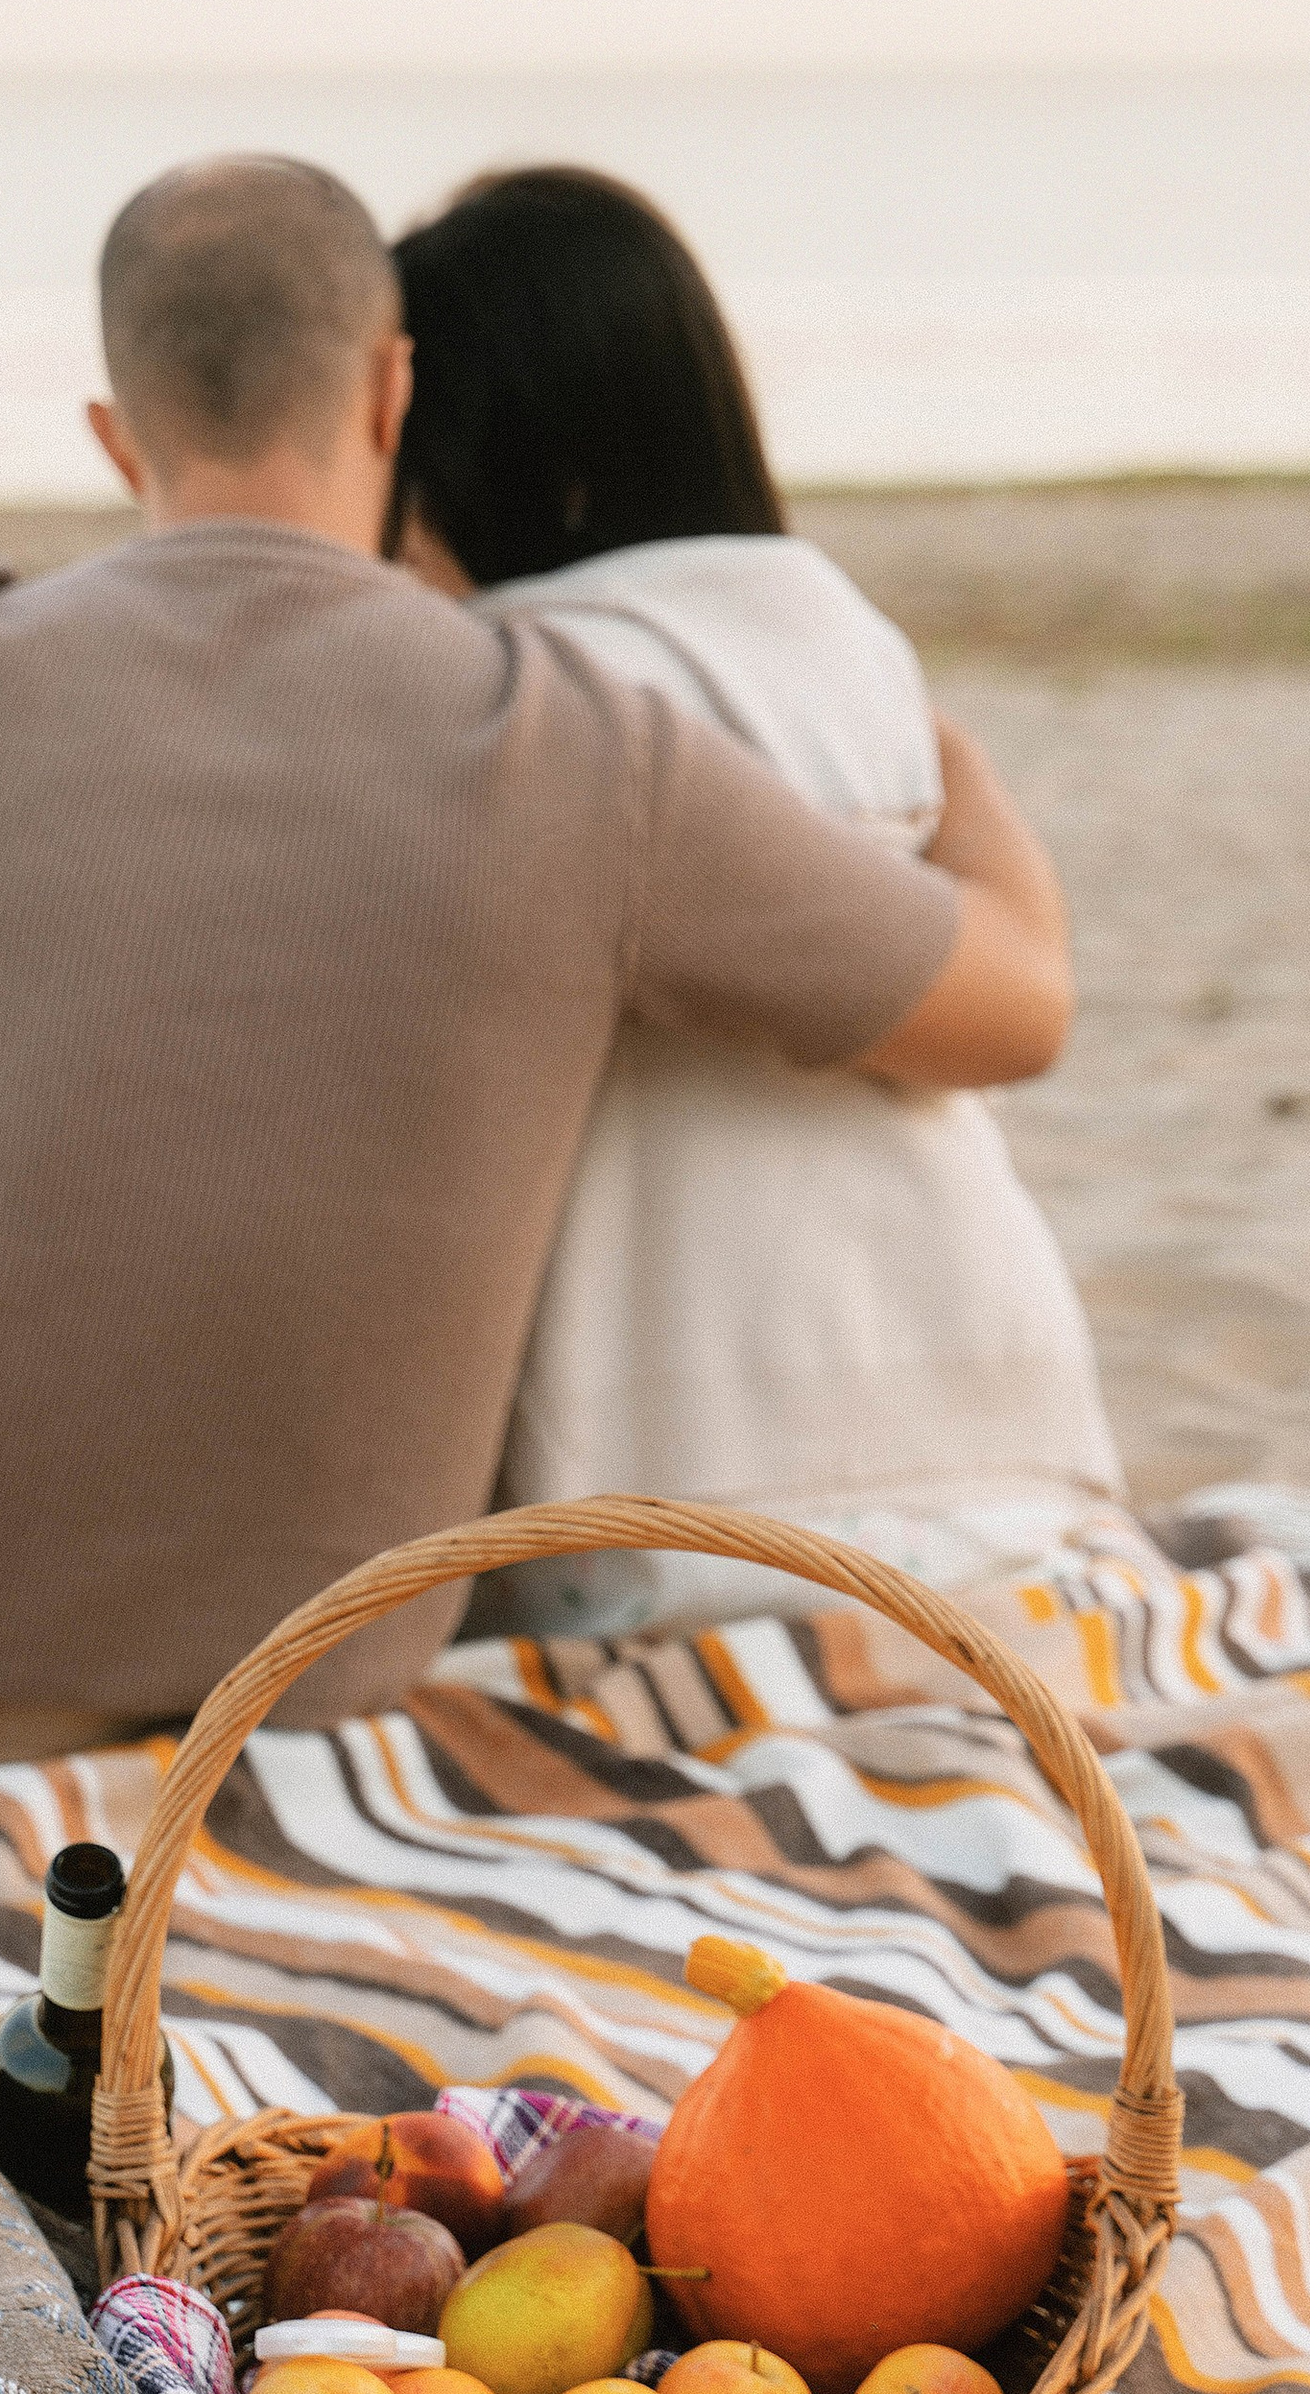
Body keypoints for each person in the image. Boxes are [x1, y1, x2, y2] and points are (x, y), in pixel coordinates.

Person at [0, 155, 1070, 1771]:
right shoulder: (581, 755)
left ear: (115, 436)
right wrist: (958, 770)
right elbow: (1012, 1008)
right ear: (390, 397)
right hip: (306, 1680)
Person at [390, 163, 1121, 1635]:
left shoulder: (531, 701)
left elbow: (1015, 1014)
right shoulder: (837, 636)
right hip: (1007, 1428)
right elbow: (1005, 964)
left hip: (711, 1507)